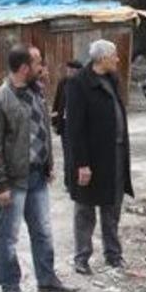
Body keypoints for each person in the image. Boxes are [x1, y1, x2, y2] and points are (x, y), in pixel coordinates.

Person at [0, 45, 78, 292]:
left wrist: (49, 165)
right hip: (14, 180)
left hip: (37, 176)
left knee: (43, 230)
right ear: (24, 68)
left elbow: (43, 131)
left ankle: (47, 279)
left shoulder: (37, 93)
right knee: (8, 235)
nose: (42, 68)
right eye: (38, 63)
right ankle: (9, 285)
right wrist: (0, 184)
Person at [66, 40, 134, 275]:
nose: (117, 59)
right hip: (91, 158)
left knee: (112, 207)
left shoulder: (112, 79)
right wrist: (82, 164)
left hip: (114, 155)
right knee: (85, 209)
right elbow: (75, 128)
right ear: (103, 58)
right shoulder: (79, 83)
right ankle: (82, 257)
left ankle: (113, 254)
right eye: (114, 56)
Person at [51, 60, 83, 194]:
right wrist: (54, 121)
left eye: (72, 71)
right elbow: (57, 102)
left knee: (77, 155)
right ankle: (69, 182)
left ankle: (78, 182)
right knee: (67, 155)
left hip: (79, 126)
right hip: (65, 124)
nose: (70, 73)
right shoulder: (63, 83)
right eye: (68, 71)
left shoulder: (83, 84)